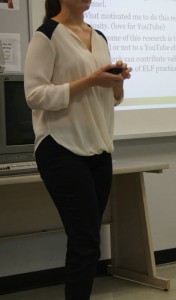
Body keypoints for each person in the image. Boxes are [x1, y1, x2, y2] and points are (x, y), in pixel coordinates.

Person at [24, 0, 132, 299]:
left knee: (87, 241)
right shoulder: (46, 35)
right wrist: (90, 80)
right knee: (85, 242)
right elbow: (34, 95)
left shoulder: (99, 37)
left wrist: (117, 82)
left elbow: (112, 99)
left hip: (98, 147)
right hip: (60, 146)